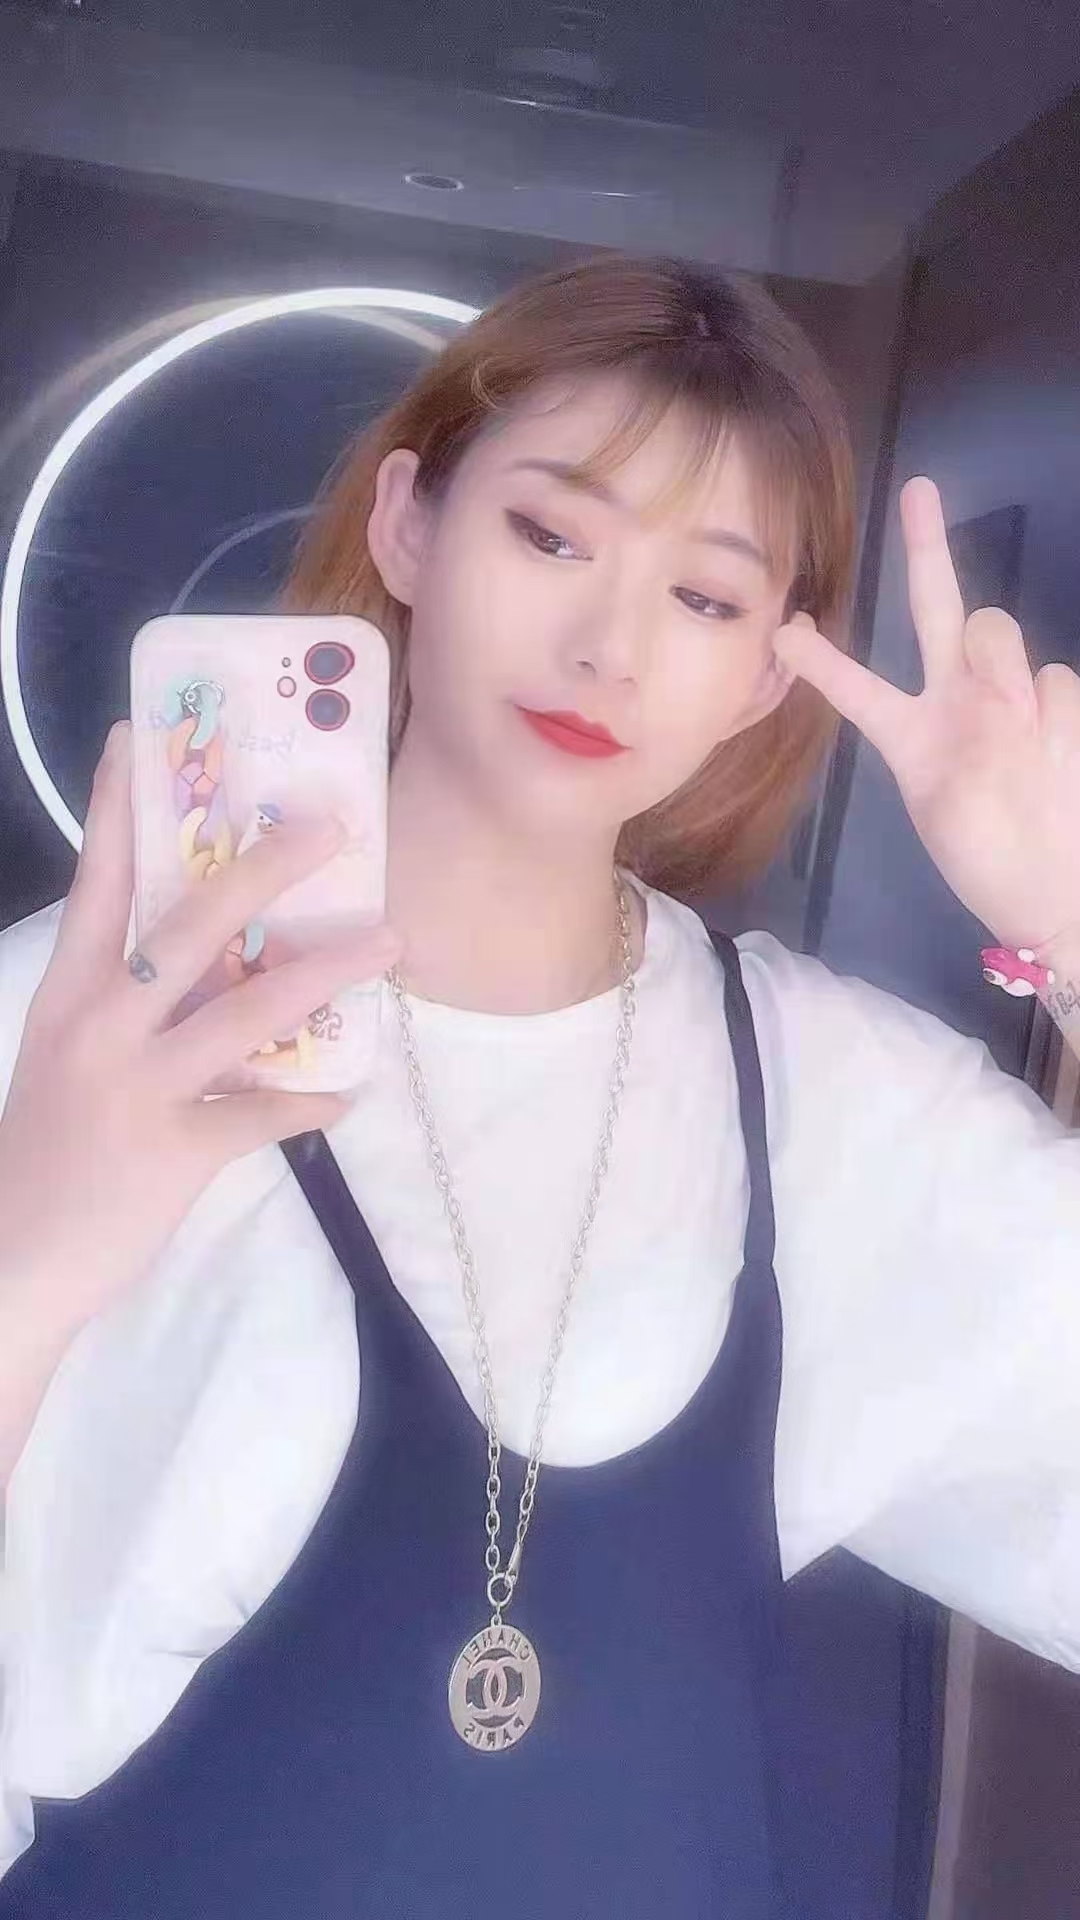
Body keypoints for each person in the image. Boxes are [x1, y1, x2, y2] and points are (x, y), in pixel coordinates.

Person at [0, 253, 1079, 1917]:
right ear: (409, 527)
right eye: (552, 536)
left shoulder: (836, 1104)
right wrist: (32, 1254)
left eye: (705, 599)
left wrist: (1070, 927)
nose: (607, 647)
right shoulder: (63, 1019)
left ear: (766, 676)